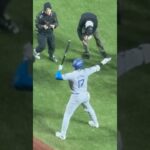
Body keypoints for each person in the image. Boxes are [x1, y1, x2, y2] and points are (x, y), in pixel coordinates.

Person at [55, 58, 108, 140]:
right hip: (85, 95)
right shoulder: (86, 71)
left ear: (74, 66)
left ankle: (62, 135)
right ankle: (95, 123)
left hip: (76, 97)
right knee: (89, 107)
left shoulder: (72, 74)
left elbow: (57, 77)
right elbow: (97, 67)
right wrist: (103, 62)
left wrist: (59, 69)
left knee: (67, 114)